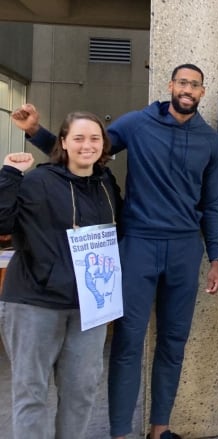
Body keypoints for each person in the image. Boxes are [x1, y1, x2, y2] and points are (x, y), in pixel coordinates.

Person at [11, 63, 218, 439]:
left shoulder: (211, 140)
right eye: (182, 82)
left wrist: (216, 256)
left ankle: (160, 429)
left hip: (184, 250)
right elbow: (86, 152)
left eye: (195, 85)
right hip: (137, 245)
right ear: (171, 85)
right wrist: (37, 133)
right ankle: (121, 433)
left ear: (202, 92)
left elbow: (213, 202)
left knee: (174, 341)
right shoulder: (137, 124)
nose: (188, 89)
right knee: (128, 342)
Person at [0, 112, 122, 439]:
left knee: (81, 393)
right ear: (63, 143)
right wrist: (10, 174)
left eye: (94, 138)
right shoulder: (37, 181)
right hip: (34, 303)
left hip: (89, 308)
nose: (87, 145)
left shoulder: (106, 184)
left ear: (103, 145)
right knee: (32, 393)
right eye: (79, 138)